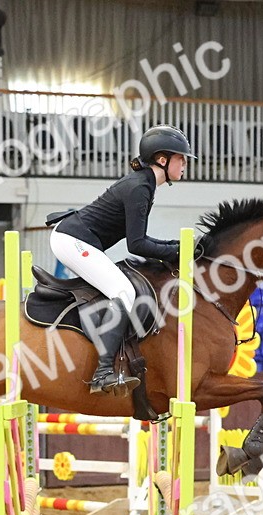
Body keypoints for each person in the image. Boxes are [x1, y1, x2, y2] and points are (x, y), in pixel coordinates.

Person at [49, 124, 194, 393]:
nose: (185, 164)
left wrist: (178, 246)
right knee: (124, 292)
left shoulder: (145, 184)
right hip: (72, 240)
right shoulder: (140, 187)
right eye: (181, 158)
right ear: (163, 160)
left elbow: (141, 240)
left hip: (76, 239)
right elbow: (137, 244)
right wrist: (178, 250)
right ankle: (103, 372)